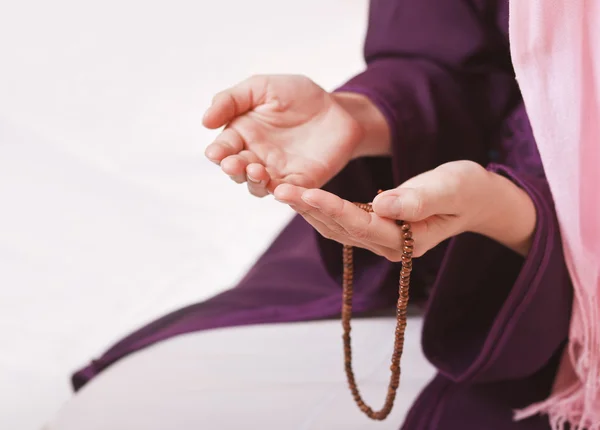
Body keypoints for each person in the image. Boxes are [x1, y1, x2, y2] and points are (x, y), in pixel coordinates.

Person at [46, 0, 590, 428]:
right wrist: (357, 118)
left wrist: (510, 215)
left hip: (543, 276)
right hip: (460, 200)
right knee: (128, 405)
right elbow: (447, 57)